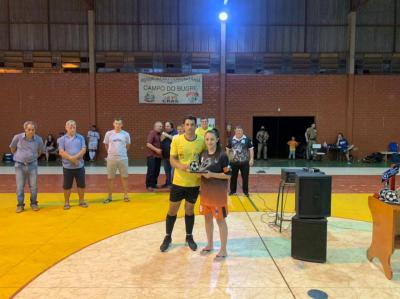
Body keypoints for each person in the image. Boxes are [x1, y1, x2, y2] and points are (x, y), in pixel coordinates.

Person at [159, 116, 206, 252]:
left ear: (195, 126)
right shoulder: (176, 139)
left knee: (189, 210)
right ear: (184, 126)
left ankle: (189, 236)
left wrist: (202, 171)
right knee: (172, 210)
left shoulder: (201, 141)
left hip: (194, 183)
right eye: (187, 124)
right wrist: (182, 166)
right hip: (178, 182)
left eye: (192, 124)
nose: (190, 127)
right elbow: (172, 159)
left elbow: (206, 158)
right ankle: (168, 237)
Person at [199, 129, 231, 258]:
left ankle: (223, 250)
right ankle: (210, 244)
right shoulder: (202, 154)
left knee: (220, 221)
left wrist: (212, 175)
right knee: (207, 219)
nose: (209, 142)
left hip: (218, 195)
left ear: (217, 140)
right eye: (207, 139)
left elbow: (228, 175)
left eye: (212, 139)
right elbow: (201, 170)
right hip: (205, 194)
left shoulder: (222, 156)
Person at [9, 121, 44, 213]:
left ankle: (33, 203)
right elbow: (12, 148)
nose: (31, 131)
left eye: (33, 130)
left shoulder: (39, 139)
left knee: (33, 186)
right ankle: (20, 205)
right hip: (19, 165)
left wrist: (34, 157)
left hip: (33, 165)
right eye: (29, 129)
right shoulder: (17, 137)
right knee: (20, 186)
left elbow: (40, 151)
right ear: (25, 129)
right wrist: (19, 156)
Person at [58, 120, 88, 210]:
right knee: (67, 186)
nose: (72, 127)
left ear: (76, 127)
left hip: (79, 166)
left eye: (73, 126)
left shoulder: (81, 137)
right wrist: (71, 159)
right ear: (66, 127)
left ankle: (81, 201)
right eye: (70, 126)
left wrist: (75, 158)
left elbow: (83, 150)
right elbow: (61, 152)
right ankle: (66, 202)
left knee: (81, 185)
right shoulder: (62, 139)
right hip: (67, 167)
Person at [103, 118, 131, 203]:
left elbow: (128, 145)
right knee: (110, 178)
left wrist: (122, 152)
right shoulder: (109, 133)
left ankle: (126, 195)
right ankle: (109, 197)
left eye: (119, 124)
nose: (118, 125)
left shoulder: (126, 134)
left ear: (122, 125)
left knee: (125, 177)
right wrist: (110, 153)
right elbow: (106, 144)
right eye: (116, 123)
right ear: (113, 124)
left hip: (123, 158)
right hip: (111, 159)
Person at [226, 125, 254, 197]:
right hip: (233, 162)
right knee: (233, 177)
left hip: (244, 163)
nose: (239, 132)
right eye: (237, 130)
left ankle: (245, 192)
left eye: (240, 130)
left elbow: (251, 149)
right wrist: (227, 160)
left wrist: (251, 159)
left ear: (242, 131)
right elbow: (228, 149)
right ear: (235, 131)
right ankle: (232, 191)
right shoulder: (231, 139)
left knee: (245, 177)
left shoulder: (247, 139)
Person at [146, 121, 163, 191]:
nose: (161, 128)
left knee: (157, 171)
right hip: (152, 156)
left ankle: (154, 184)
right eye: (159, 126)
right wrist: (156, 150)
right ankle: (149, 185)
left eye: (161, 126)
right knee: (151, 171)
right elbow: (148, 144)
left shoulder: (160, 134)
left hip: (158, 157)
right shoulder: (152, 133)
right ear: (155, 127)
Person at [161, 121, 177, 188]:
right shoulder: (164, 133)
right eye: (165, 126)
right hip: (165, 156)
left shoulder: (175, 132)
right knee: (167, 171)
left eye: (168, 126)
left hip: (172, 156)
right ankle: (168, 183)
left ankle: (173, 184)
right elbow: (161, 140)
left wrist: (166, 135)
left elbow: (174, 138)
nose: (166, 127)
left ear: (171, 127)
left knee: (173, 172)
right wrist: (163, 137)